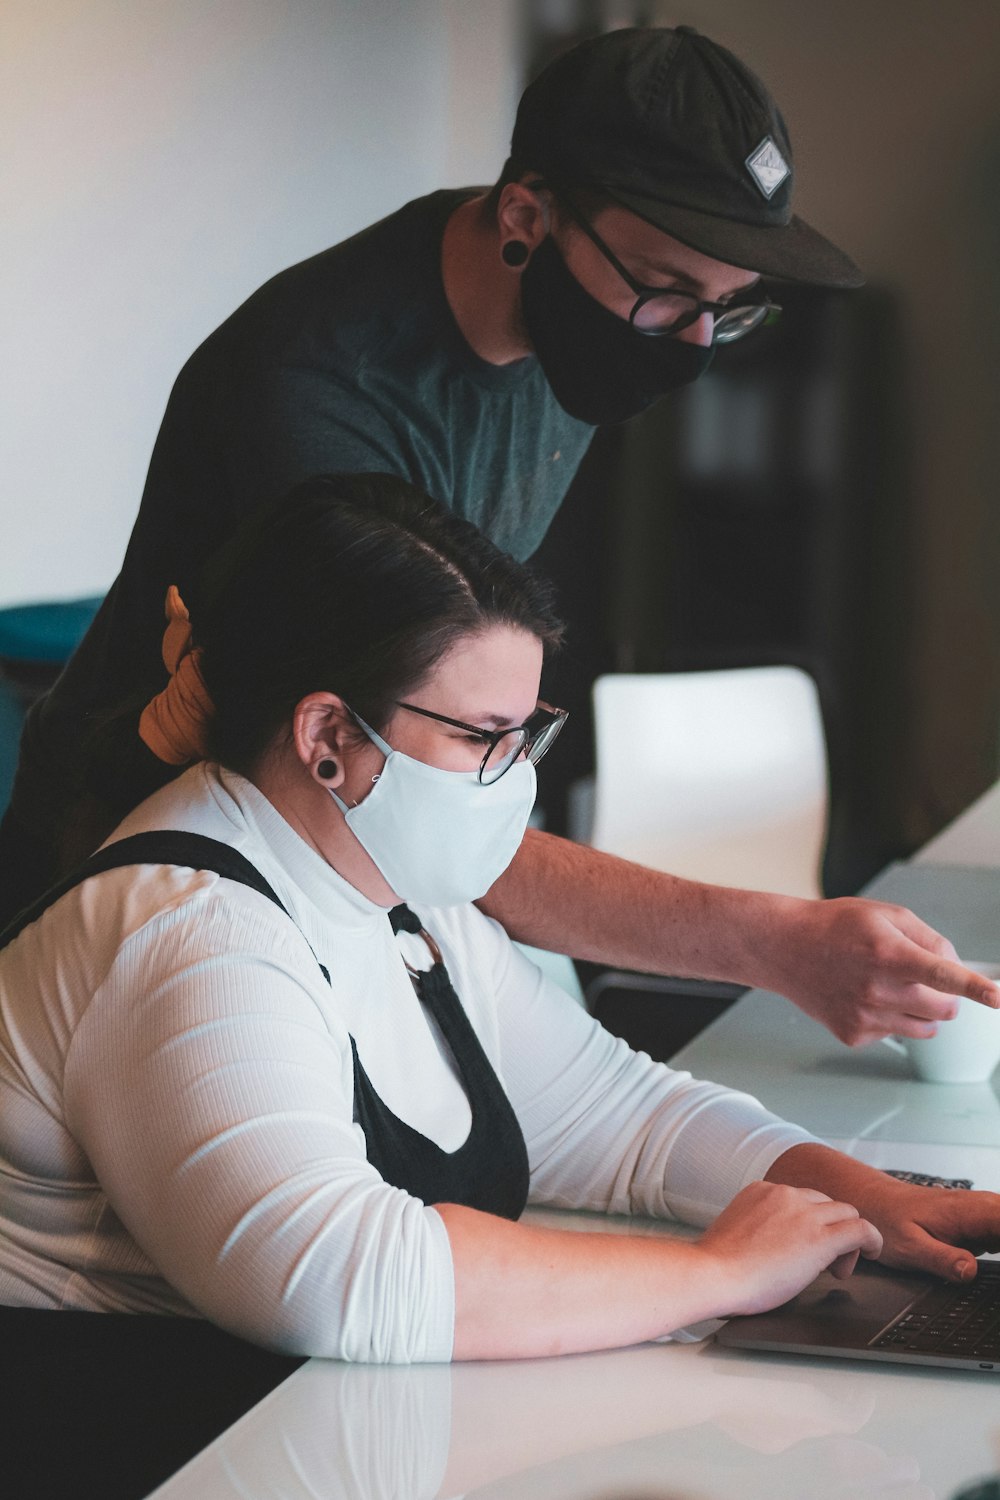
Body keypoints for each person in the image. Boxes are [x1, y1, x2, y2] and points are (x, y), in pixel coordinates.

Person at [1, 26, 995, 1044]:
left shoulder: (561, 329)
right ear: (526, 214)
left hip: (332, 857)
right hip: (136, 866)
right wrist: (777, 941)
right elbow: (418, 815)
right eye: (664, 290)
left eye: (725, 309)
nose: (691, 346)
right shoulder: (318, 400)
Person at [2, 474, 999, 1383]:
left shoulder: (399, 888)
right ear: (327, 737)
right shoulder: (193, 933)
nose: (515, 776)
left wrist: (860, 1196)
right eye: (482, 738)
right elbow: (333, 1273)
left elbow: (620, 1120)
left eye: (526, 733)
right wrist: (718, 1273)